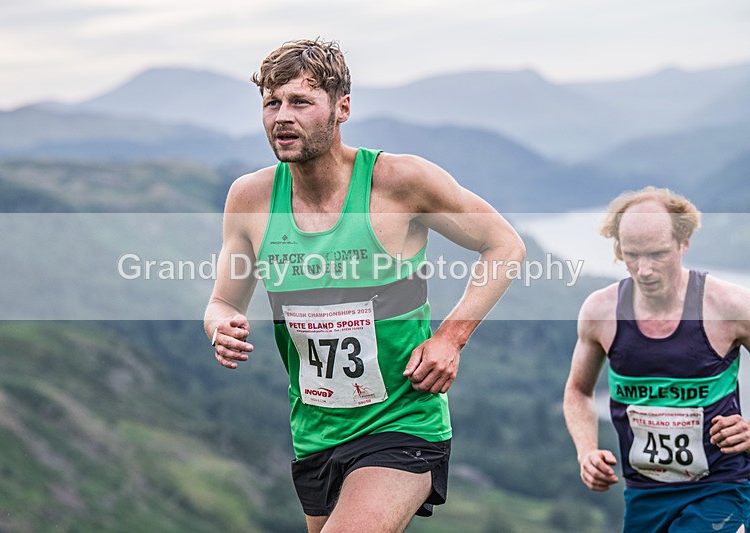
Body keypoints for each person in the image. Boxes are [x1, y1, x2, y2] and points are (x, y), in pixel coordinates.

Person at [203, 38, 525, 532]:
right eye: (271, 103)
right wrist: (221, 325)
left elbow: (504, 246)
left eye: (300, 101)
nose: (281, 116)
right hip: (315, 432)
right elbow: (224, 299)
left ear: (342, 107)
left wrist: (450, 337)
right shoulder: (249, 197)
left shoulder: (399, 181)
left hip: (402, 423)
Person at [563, 186, 750, 532]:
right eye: (632, 255)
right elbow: (579, 390)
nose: (644, 269)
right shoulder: (601, 312)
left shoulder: (730, 306)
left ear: (684, 243)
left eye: (658, 254)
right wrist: (587, 451)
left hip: (721, 487)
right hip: (644, 495)